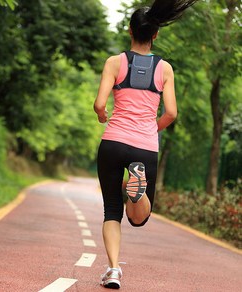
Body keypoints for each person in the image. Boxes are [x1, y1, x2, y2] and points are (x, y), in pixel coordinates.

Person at [94, 0, 198, 289]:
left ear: (130, 31)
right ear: (156, 34)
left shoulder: (115, 63)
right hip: (144, 145)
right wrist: (152, 128)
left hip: (113, 141)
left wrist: (104, 115)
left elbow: (100, 103)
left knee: (111, 210)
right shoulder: (164, 69)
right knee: (138, 219)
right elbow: (172, 113)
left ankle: (113, 270)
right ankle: (137, 194)